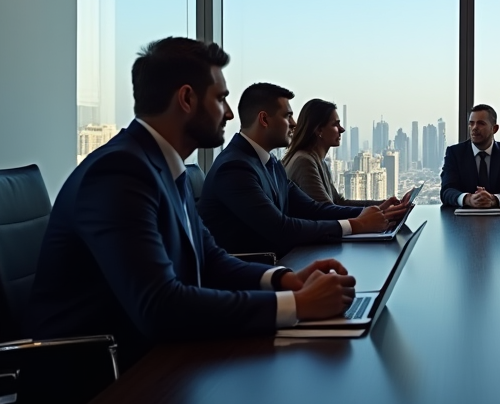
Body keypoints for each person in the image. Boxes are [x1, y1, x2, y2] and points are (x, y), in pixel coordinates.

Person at [29, 38, 357, 368]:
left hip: (156, 361)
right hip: (101, 387)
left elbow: (210, 259)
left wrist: (285, 280)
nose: (229, 113)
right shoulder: (119, 173)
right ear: (186, 99)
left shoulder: (165, 167)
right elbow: (161, 306)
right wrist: (297, 305)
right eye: (221, 98)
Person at [199, 83, 408, 256]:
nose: (294, 123)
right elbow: (281, 229)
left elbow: (314, 209)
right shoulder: (235, 168)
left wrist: (374, 212)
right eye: (287, 116)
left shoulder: (269, 162)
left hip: (282, 264)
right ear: (264, 119)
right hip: (253, 280)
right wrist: (357, 225)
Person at [283, 98, 412, 208]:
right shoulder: (305, 162)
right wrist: (379, 213)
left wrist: (384, 205)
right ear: (319, 130)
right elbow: (327, 211)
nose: (342, 129)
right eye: (335, 124)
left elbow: (339, 203)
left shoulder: (315, 160)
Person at [440, 104, 500, 208]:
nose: (474, 128)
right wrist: (468, 199)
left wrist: (494, 199)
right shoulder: (455, 153)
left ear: (494, 129)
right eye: (471, 123)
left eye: (481, 123)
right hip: (461, 220)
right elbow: (446, 191)